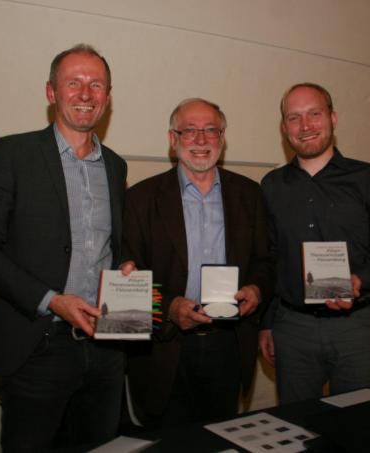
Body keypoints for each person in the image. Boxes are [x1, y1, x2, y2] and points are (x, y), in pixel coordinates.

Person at [0, 44, 127, 451]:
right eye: (74, 83)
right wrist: (52, 301)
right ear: (51, 92)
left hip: (106, 344)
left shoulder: (116, 165)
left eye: (96, 85)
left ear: (107, 96)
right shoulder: (11, 153)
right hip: (38, 344)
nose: (86, 94)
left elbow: (109, 245)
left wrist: (126, 264)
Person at [121, 98, 274, 428]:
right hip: (164, 350)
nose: (201, 140)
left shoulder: (249, 195)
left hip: (227, 346)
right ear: (172, 139)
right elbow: (127, 277)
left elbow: (265, 260)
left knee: (221, 438)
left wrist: (256, 288)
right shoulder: (140, 199)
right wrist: (168, 308)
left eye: (210, 130)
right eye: (189, 131)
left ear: (223, 137)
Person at [258, 83, 370, 404]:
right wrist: (266, 324)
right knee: (296, 428)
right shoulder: (271, 186)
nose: (305, 125)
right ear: (284, 128)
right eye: (294, 118)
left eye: (314, 114)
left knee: (355, 426)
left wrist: (359, 279)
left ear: (333, 118)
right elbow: (269, 259)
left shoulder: (368, 178)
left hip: (355, 328)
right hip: (292, 327)